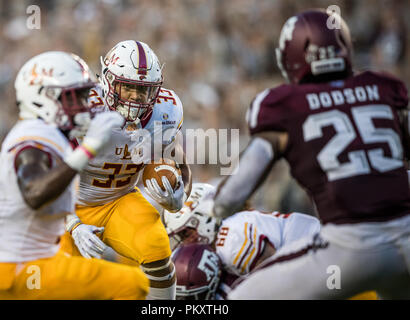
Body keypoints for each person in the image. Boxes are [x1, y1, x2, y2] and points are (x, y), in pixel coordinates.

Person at [211, 9, 410, 299]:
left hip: (350, 246)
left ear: (293, 55)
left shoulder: (285, 104)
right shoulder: (382, 88)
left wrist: (215, 210)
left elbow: (233, 194)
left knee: (241, 298)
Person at [0, 51, 149, 300]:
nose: (84, 105)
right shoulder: (34, 138)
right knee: (133, 284)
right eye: (75, 97)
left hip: (25, 263)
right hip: (19, 270)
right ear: (45, 98)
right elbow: (34, 193)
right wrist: (88, 149)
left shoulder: (48, 133)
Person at [60, 40, 192, 300]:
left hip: (119, 200)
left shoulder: (166, 111)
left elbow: (180, 164)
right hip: (69, 206)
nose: (134, 96)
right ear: (108, 81)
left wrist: (179, 197)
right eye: (127, 86)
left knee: (156, 246)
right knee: (63, 282)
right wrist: (73, 224)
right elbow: (53, 174)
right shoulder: (84, 109)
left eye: (142, 90)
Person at [165, 183, 328, 299]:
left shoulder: (230, 240)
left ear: (204, 219)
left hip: (324, 256)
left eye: (186, 233)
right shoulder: (229, 230)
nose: (185, 243)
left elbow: (275, 280)